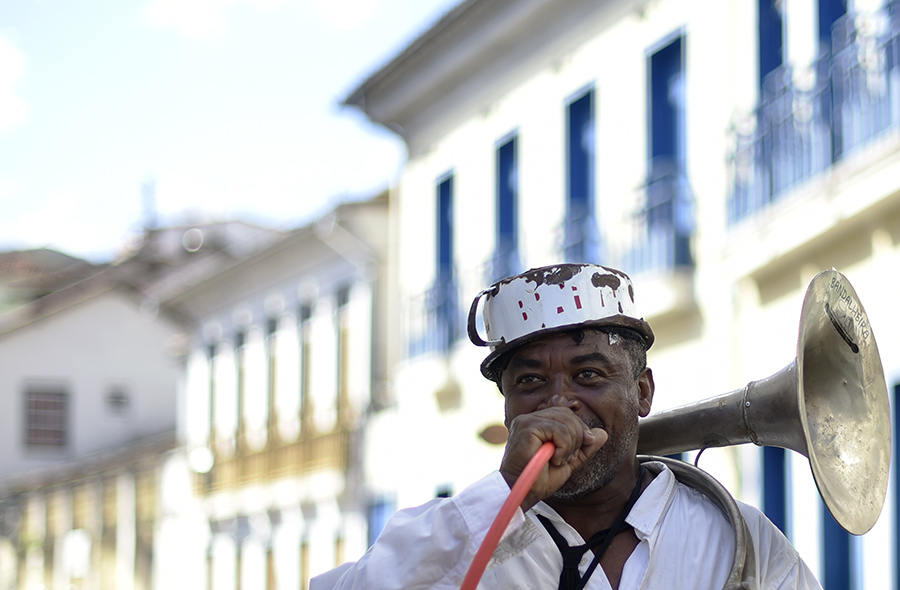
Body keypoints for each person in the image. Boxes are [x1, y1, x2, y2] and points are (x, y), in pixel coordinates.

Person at [311, 263, 823, 589]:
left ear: (642, 392)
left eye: (589, 375)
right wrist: (506, 494)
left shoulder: (740, 537)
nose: (561, 403)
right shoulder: (451, 532)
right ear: (508, 408)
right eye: (531, 381)